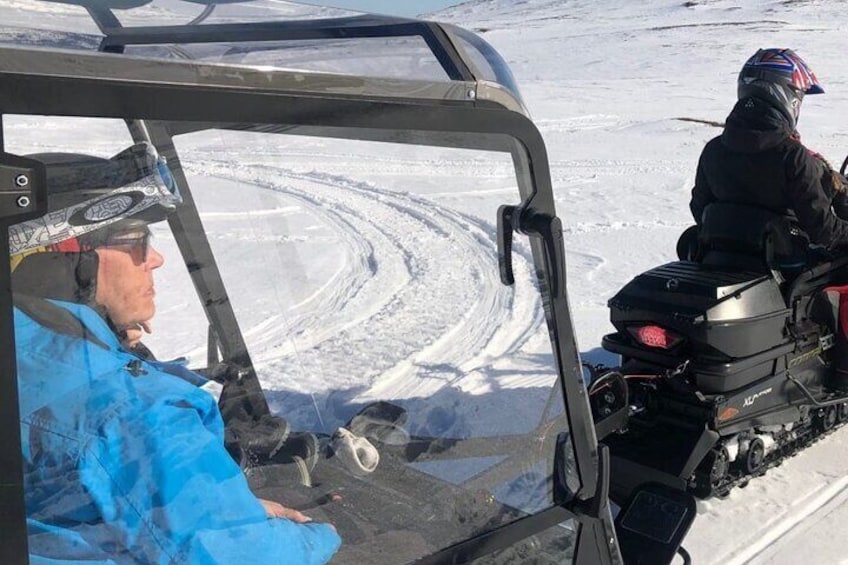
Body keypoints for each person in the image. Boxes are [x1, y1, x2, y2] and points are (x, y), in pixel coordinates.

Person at [10, 142, 340, 564]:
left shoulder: (23, 353)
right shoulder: (135, 413)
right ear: (68, 261)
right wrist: (319, 537)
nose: (157, 259)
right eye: (134, 242)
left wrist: (229, 513)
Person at [689, 48, 848, 256]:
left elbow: (700, 209)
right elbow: (824, 230)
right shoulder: (792, 156)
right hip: (783, 270)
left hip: (723, 260)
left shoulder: (714, 149)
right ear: (786, 96)